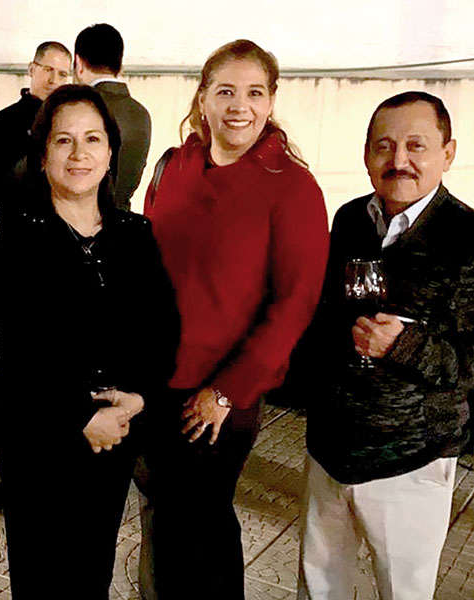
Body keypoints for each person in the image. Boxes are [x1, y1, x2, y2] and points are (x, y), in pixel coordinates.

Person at [140, 39, 329, 599]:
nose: (238, 105)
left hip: (219, 396)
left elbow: (295, 303)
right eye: (225, 91)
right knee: (166, 524)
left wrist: (227, 391)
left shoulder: (291, 187)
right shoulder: (176, 166)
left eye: (253, 93)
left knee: (203, 528)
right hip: (157, 381)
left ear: (271, 102)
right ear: (202, 98)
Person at [296, 91, 474, 600]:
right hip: (331, 449)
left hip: (412, 461)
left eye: (416, 146)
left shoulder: (473, 239)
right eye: (384, 146)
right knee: (320, 587)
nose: (398, 161)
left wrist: (406, 345)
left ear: (448, 153)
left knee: (402, 591)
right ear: (365, 153)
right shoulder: (350, 219)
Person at [0, 84, 179, 600]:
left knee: (91, 574)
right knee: (43, 578)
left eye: (92, 139)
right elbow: (18, 353)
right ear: (43, 152)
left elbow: (163, 328)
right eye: (64, 141)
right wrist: (82, 415)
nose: (79, 154)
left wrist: (139, 398)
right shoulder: (18, 240)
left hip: (114, 439)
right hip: (41, 442)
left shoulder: (135, 234)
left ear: (111, 151)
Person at [0, 40, 70, 219]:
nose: (54, 81)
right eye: (48, 70)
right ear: (32, 69)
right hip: (16, 232)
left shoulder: (70, 123)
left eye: (62, 74)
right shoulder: (4, 121)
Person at [74, 23, 150, 211]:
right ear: (120, 65)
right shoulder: (140, 113)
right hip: (123, 225)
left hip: (79, 226)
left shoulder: (77, 108)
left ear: (78, 63)